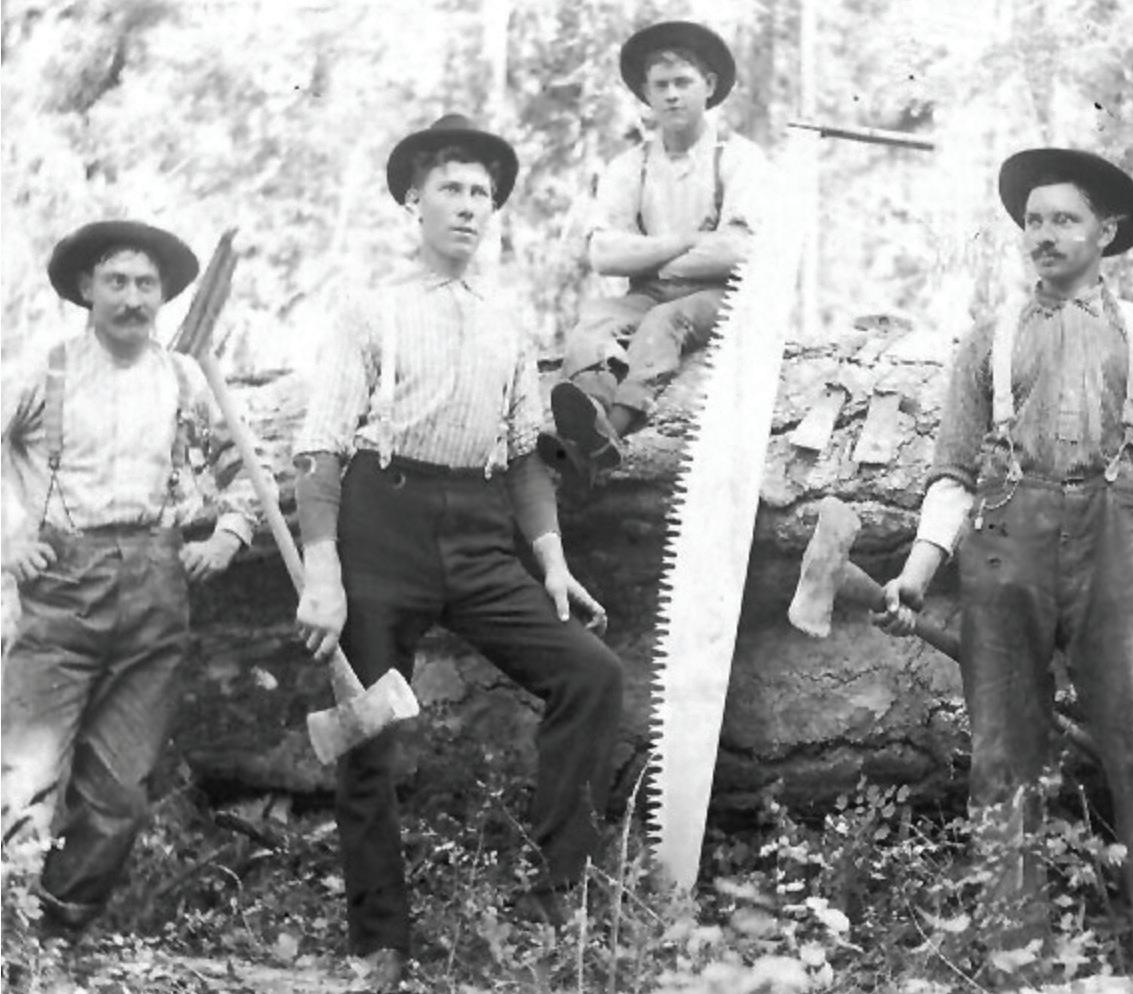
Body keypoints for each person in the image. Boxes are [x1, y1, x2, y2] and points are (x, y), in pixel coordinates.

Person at [292, 113, 624, 992]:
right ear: (414, 200)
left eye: (483, 193)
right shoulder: (370, 310)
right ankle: (380, 942)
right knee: (366, 730)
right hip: (381, 525)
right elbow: (321, 450)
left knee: (590, 675)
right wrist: (323, 574)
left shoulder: (506, 326)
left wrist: (552, 561)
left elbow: (524, 459)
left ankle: (551, 909)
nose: (471, 206)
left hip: (478, 537)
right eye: (452, 189)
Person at [876, 148, 1133, 962]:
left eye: (1063, 219)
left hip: (1121, 547)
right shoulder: (987, 341)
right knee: (1003, 756)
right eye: (1033, 220)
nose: (1042, 234)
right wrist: (917, 573)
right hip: (1007, 547)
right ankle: (1016, 959)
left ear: (1106, 233)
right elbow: (954, 474)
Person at [1, 220, 267, 936]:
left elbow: (246, 463)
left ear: (163, 296)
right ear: (85, 289)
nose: (132, 298)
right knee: (23, 778)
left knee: (119, 793)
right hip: (62, 590)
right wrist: (10, 534)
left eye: (146, 284)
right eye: (116, 281)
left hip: (155, 591)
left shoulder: (184, 378)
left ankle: (56, 932)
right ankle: (8, 937)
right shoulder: (47, 370)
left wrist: (229, 534)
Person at [540, 20, 771, 484]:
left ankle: (612, 431)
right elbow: (604, 254)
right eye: (660, 86)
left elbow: (739, 250)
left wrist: (647, 254)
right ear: (645, 93)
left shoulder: (738, 158)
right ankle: (589, 409)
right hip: (647, 292)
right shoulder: (631, 166)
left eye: (683, 82)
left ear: (708, 86)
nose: (672, 96)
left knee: (665, 321)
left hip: (719, 297)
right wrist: (685, 242)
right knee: (596, 318)